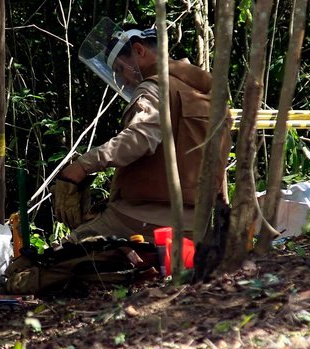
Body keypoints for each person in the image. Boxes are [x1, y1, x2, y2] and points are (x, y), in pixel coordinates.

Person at [56, 23, 228, 243]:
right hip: (197, 225)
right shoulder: (201, 93)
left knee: (56, 260)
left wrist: (81, 166)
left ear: (138, 51)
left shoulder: (154, 88)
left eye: (119, 69)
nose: (123, 80)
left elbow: (139, 138)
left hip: (143, 219)